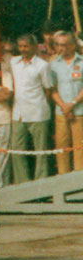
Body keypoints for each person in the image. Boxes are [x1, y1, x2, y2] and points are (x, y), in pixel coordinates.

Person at [7, 33, 55, 184]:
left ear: (34, 47)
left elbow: (48, 89)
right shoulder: (13, 62)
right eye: (20, 46)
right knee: (16, 149)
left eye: (26, 46)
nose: (23, 49)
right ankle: (23, 182)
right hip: (18, 113)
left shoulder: (42, 65)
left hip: (38, 113)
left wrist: (41, 106)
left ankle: (42, 182)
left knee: (41, 150)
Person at [49, 30, 83, 176]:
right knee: (62, 146)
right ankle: (63, 178)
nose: (60, 48)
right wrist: (64, 106)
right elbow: (52, 89)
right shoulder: (53, 65)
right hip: (61, 112)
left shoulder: (81, 62)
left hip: (79, 111)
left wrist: (72, 104)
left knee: (79, 147)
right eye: (57, 45)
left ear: (72, 45)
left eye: (63, 45)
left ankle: (79, 180)